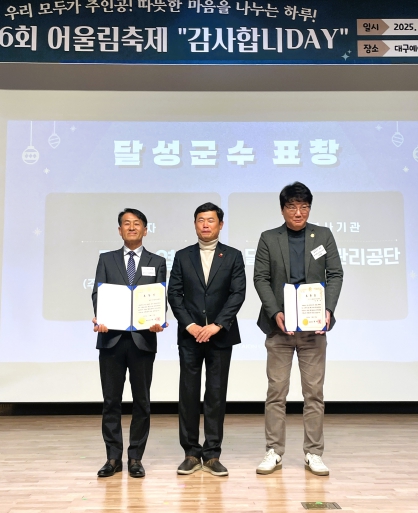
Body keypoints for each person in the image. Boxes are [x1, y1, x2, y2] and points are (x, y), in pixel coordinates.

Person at [253, 182, 343, 477]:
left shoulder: (323, 235)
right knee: (276, 392)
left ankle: (314, 453)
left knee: (314, 393)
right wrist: (274, 312)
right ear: (282, 209)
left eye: (304, 206)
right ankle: (274, 451)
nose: (298, 212)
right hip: (279, 328)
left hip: (313, 328)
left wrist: (328, 310)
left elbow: (335, 274)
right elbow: (260, 278)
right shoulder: (269, 238)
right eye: (292, 206)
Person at [168, 202, 246, 477]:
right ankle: (191, 453)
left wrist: (216, 325)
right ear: (195, 224)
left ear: (220, 225)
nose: (205, 224)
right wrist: (190, 325)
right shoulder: (182, 256)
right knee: (188, 394)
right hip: (190, 336)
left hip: (220, 336)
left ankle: (212, 454)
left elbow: (237, 294)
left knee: (216, 395)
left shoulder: (233, 256)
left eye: (211, 220)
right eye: (200, 220)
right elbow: (174, 294)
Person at [92, 208, 167, 478]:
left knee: (142, 402)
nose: (132, 227)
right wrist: (101, 317)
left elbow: (160, 296)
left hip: (143, 340)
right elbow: (98, 293)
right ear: (119, 230)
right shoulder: (106, 259)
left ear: (146, 230)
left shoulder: (157, 261)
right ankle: (113, 458)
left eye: (137, 224)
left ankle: (135, 457)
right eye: (126, 223)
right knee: (111, 401)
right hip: (111, 339)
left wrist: (158, 320)